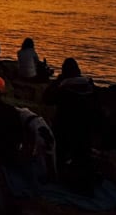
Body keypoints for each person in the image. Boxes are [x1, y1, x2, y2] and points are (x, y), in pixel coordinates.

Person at [43, 57, 102, 190]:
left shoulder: (64, 89)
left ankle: (60, 172)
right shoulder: (90, 88)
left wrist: (58, 81)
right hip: (84, 134)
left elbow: (46, 98)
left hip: (64, 133)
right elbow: (98, 113)